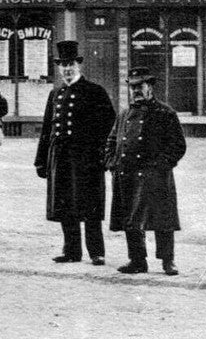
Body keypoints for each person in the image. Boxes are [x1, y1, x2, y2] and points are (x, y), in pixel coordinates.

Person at [34, 40, 115, 266]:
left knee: (90, 206)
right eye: (63, 65)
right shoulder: (55, 94)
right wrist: (41, 161)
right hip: (59, 159)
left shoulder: (95, 91)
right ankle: (71, 251)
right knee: (65, 205)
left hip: (87, 160)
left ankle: (96, 252)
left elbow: (110, 126)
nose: (67, 69)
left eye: (71, 64)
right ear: (59, 68)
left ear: (78, 65)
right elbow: (46, 129)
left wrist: (102, 155)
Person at [105, 68, 186, 275]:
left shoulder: (165, 113)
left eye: (139, 86)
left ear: (150, 87)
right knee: (131, 220)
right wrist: (111, 161)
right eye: (132, 87)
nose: (135, 91)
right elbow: (112, 140)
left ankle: (168, 261)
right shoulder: (124, 114)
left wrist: (162, 165)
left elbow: (178, 145)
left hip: (155, 176)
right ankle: (137, 260)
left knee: (162, 220)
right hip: (127, 174)